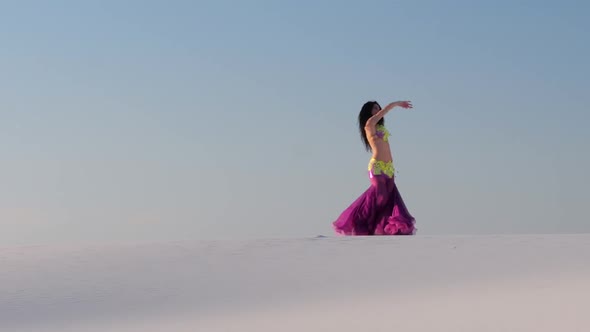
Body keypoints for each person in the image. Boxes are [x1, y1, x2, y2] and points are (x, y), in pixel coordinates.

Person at [332, 100, 416, 235]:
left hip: (389, 167)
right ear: (369, 111)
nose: (378, 110)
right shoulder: (369, 124)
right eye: (375, 108)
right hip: (377, 167)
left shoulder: (380, 127)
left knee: (388, 199)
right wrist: (395, 104)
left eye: (379, 108)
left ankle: (380, 227)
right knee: (380, 196)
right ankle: (359, 221)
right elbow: (384, 112)